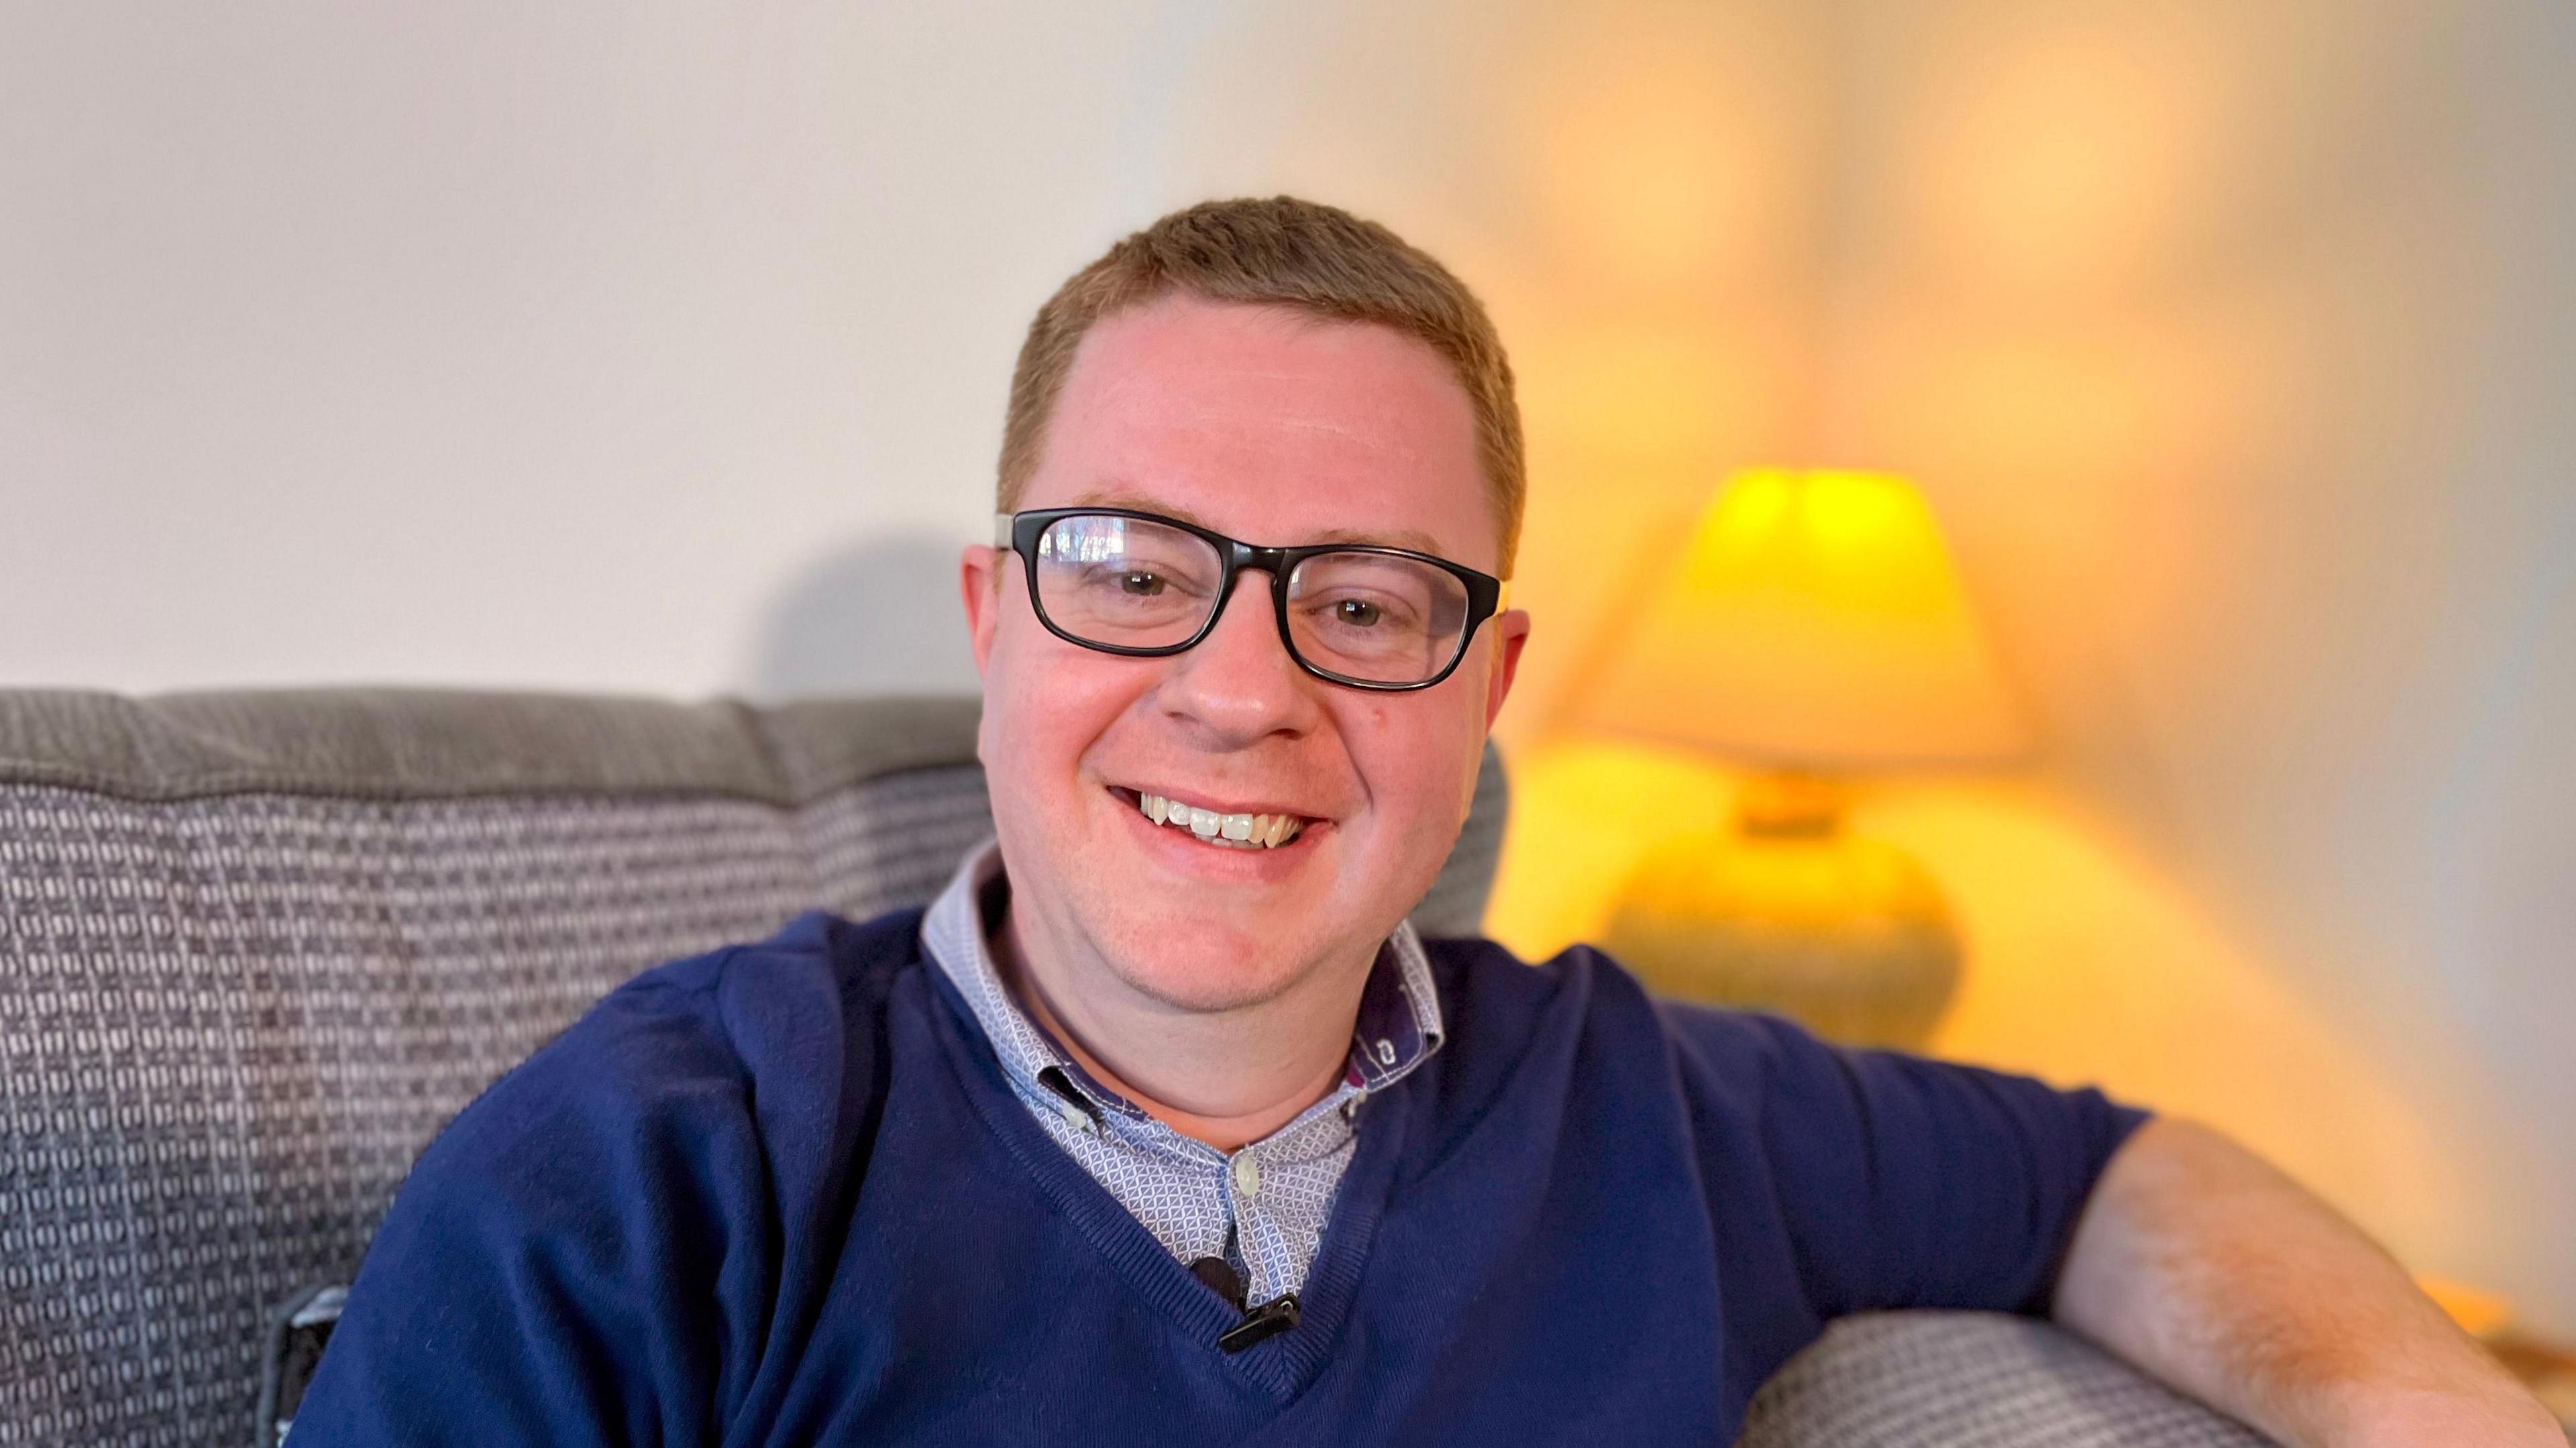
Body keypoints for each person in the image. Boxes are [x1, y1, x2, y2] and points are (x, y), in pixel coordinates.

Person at [288, 197, 2559, 1446]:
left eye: (1369, 601)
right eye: (1139, 568)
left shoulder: (1647, 1107)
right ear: (999, 621)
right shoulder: (661, 1167)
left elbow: (2106, 1175)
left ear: (1485, 687)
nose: (1246, 686)